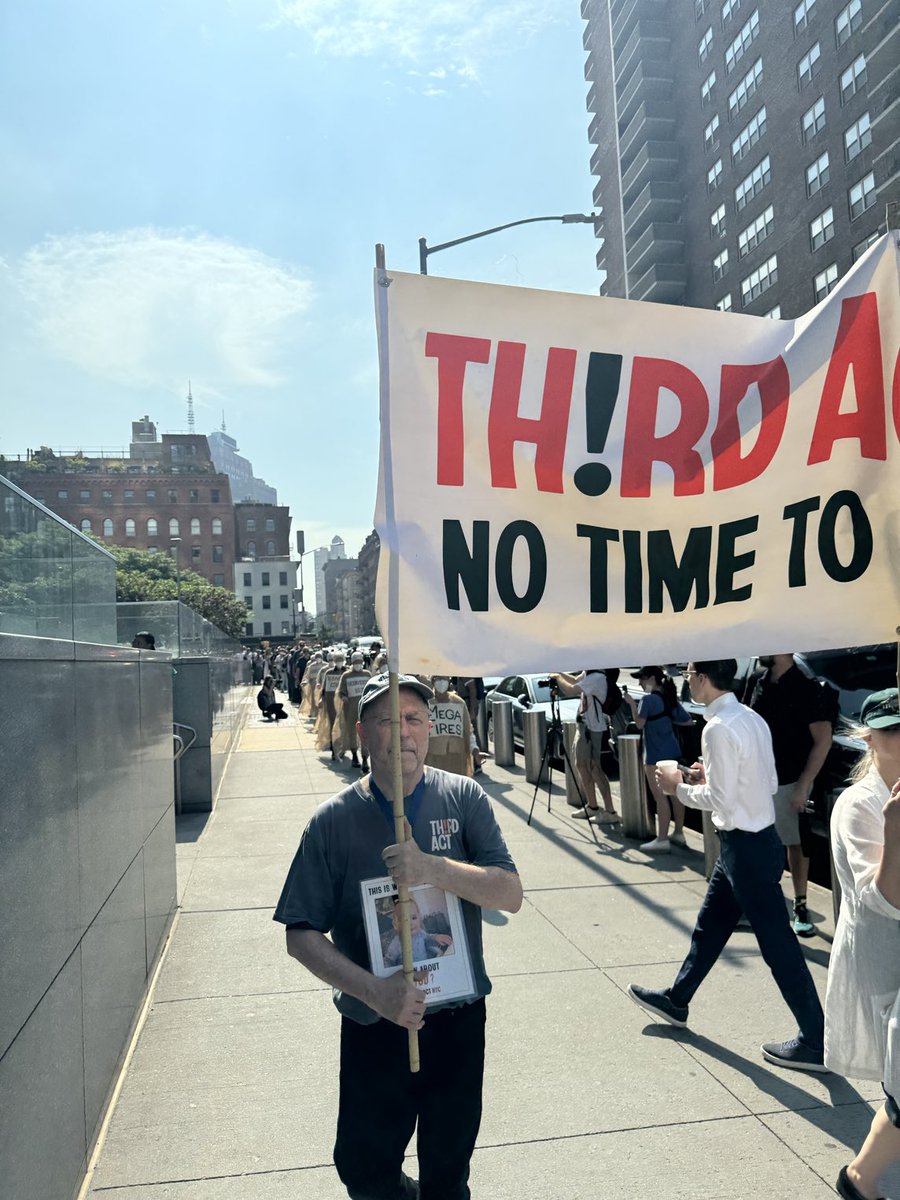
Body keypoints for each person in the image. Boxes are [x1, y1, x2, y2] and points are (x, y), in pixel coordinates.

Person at [274, 672, 522, 1200]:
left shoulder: (464, 799)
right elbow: (301, 933)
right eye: (388, 720)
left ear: (429, 728)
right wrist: (374, 992)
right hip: (375, 1023)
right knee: (364, 1167)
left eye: (413, 719)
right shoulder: (332, 823)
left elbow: (509, 893)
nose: (403, 732)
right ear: (362, 732)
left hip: (456, 1024)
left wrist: (431, 868)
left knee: (448, 1170)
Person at [627, 659, 827, 1073]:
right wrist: (708, 777)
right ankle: (677, 999)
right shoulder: (750, 717)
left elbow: (721, 801)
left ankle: (816, 1039)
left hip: (743, 848)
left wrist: (677, 787)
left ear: (701, 679)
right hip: (759, 841)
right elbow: (766, 783)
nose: (686, 683)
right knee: (711, 925)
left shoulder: (716, 727)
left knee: (778, 945)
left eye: (687, 676)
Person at [825, 688, 900, 1200]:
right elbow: (886, 901)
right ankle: (862, 1179)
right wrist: (895, 830)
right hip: (885, 958)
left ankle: (864, 1179)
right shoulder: (861, 805)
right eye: (894, 729)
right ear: (867, 736)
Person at [748, 653, 835, 937]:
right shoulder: (757, 681)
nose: (759, 651)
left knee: (796, 844)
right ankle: (760, 907)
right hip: (759, 781)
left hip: (792, 779)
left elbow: (823, 740)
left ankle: (800, 906)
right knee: (759, 842)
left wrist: (803, 785)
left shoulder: (807, 687)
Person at [625, 666, 694, 853]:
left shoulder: (647, 700)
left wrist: (631, 704)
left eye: (642, 678)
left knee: (660, 797)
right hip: (672, 752)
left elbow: (639, 724)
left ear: (652, 678)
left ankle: (662, 839)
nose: (639, 683)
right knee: (675, 794)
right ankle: (678, 832)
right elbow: (687, 720)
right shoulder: (669, 697)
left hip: (654, 755)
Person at [551, 671, 619, 824]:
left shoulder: (597, 677)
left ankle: (610, 811)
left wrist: (557, 678)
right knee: (581, 764)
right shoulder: (590, 673)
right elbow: (575, 680)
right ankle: (592, 805)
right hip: (583, 726)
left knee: (595, 768)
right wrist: (559, 673)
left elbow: (570, 690)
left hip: (592, 729)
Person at [426, 675, 474, 777]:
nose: (442, 682)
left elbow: (467, 729)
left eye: (444, 679)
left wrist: (474, 748)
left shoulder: (459, 702)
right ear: (433, 681)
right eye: (438, 679)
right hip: (433, 757)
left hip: (456, 756)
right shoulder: (426, 702)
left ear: (449, 680)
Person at [335, 651, 371, 769]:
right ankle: (355, 756)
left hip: (365, 710)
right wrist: (344, 697)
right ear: (351, 662)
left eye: (360, 662)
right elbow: (340, 691)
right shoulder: (346, 676)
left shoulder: (367, 674)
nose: (358, 664)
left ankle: (365, 759)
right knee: (352, 733)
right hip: (350, 710)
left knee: (365, 734)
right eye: (356, 662)